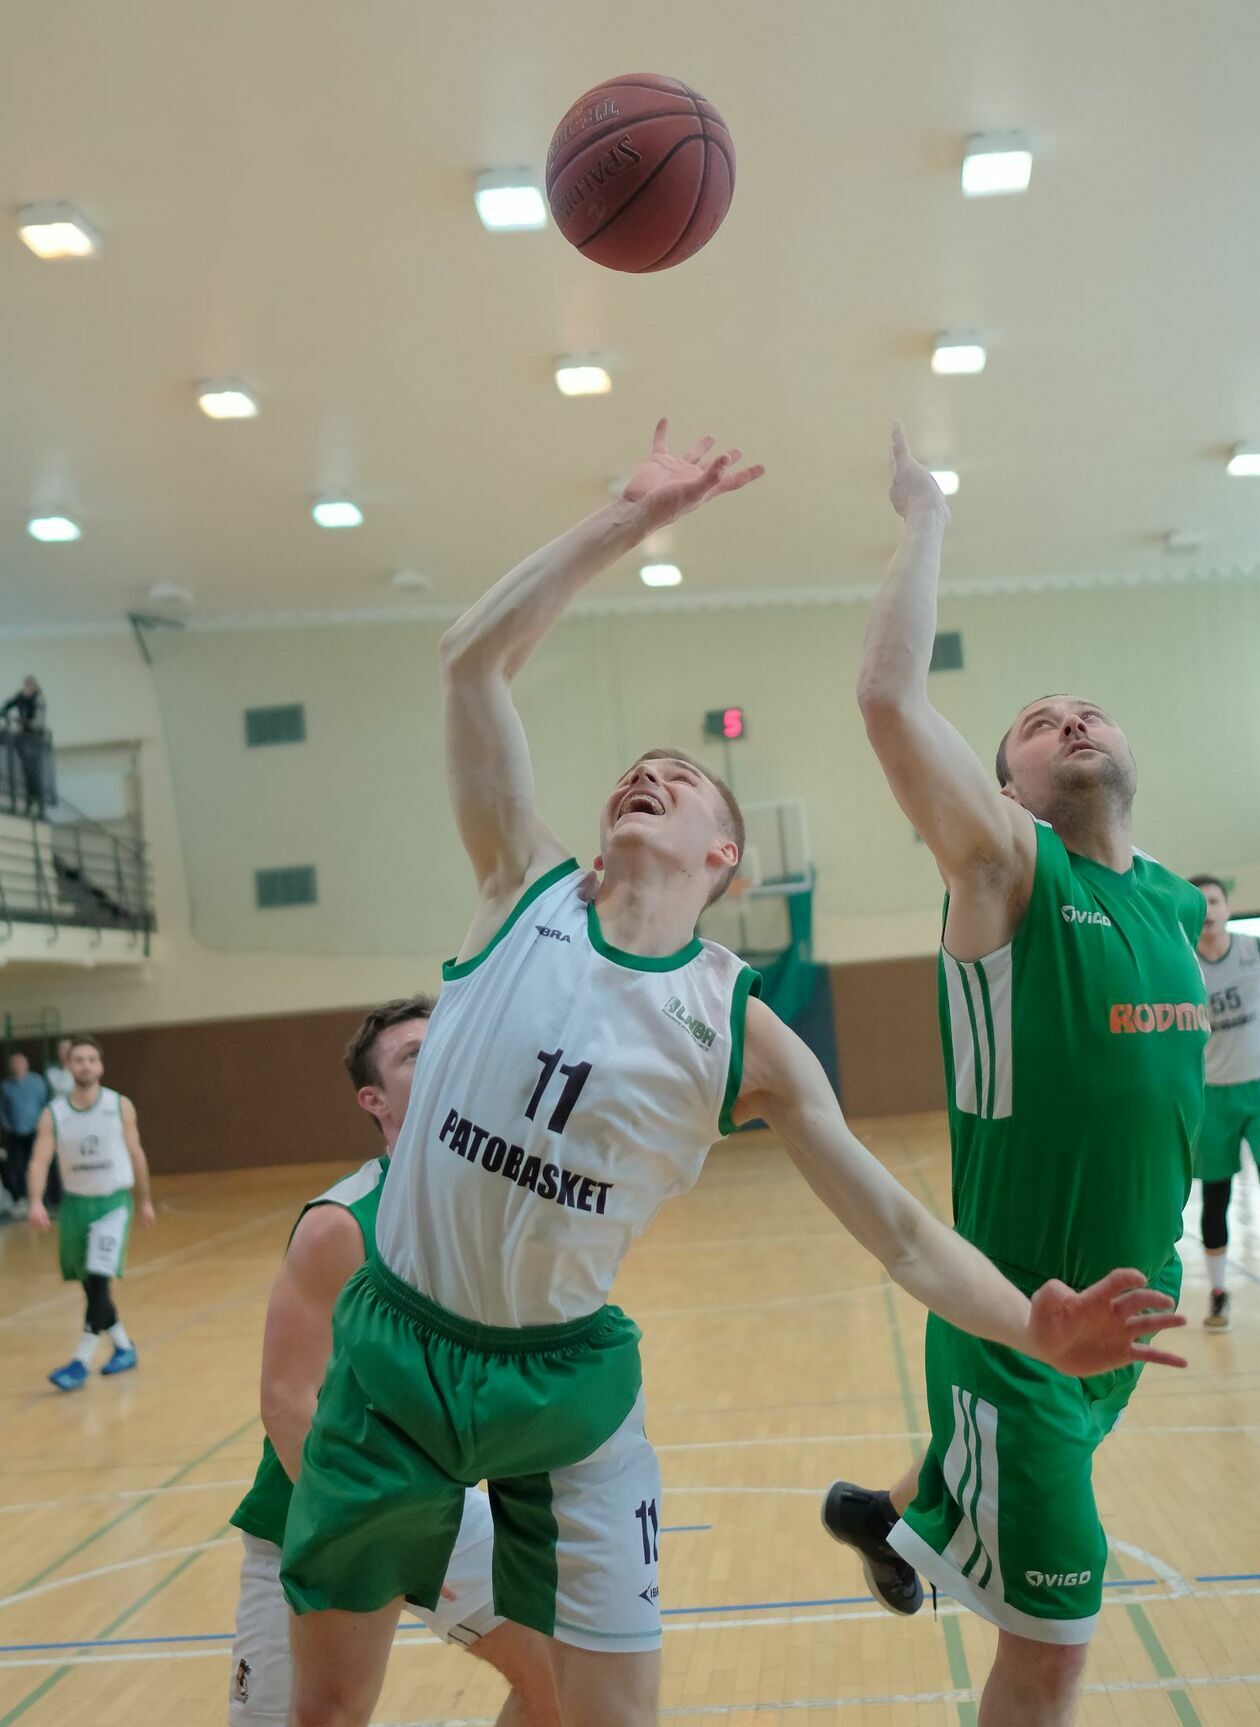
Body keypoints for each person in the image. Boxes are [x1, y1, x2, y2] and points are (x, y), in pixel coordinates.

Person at [279, 419, 1185, 1727]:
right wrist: (626, 517)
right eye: (636, 770)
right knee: (324, 1708)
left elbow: (903, 1229)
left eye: (690, 780)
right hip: (394, 1351)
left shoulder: (738, 1029)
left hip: (565, 1385)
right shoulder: (514, 887)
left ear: (726, 862)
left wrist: (1029, 1323)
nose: (651, 770)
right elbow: (469, 660)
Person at [820, 426, 1209, 1726]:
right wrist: (924, 513)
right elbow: (885, 702)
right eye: (1038, 725)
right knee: (1051, 1650)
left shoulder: (1168, 898)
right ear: (1007, 794)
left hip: (1115, 1340)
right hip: (1018, 1335)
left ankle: (910, 1520)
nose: (1072, 716)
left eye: (1085, 707)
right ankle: (923, 1513)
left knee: (1039, 1616)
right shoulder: (1010, 871)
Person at [228, 994, 558, 1727]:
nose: (438, 1055)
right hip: (317, 1515)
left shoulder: (491, 1208)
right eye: (413, 1053)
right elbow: (287, 1399)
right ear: (373, 1100)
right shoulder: (338, 1224)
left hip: (433, 1502)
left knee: (564, 1681)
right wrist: (359, 1532)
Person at [27, 1035, 156, 1388]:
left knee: (99, 1280)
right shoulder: (54, 1113)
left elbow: (136, 1152)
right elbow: (39, 1161)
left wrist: (144, 1198)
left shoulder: (118, 1105)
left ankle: (79, 1362)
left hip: (112, 1204)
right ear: (69, 1066)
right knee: (90, 1286)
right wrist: (36, 1200)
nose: (85, 1065)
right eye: (78, 1059)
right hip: (75, 1206)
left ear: (100, 1066)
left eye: (91, 1060)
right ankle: (124, 1348)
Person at [1188, 873, 1260, 1333]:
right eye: (1200, 903)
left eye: (1214, 901)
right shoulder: (1181, 963)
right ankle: (1217, 1294)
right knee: (1215, 1198)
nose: (1209, 910)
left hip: (1258, 1088)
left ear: (1228, 906)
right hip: (1212, 1095)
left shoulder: (1254, 951)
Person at [0, 1051, 48, 1217]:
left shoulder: (37, 1082)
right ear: (11, 1066)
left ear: (26, 1064)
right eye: (15, 1063)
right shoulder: (6, 1086)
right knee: (16, 1165)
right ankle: (21, 1198)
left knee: (36, 1163)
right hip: (15, 1132)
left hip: (35, 1130)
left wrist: (42, 1124)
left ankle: (39, 1198)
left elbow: (44, 1105)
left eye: (21, 1063)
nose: (18, 1066)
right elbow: (2, 1109)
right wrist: (7, 1125)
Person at [0, 675, 48, 816]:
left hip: (34, 738)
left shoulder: (39, 699)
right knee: (27, 773)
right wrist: (4, 711)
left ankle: (38, 806)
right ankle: (29, 803)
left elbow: (38, 722)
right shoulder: (20, 696)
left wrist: (24, 722)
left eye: (29, 686)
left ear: (34, 687)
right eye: (25, 686)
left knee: (34, 774)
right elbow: (8, 704)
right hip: (23, 738)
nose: (26, 689)